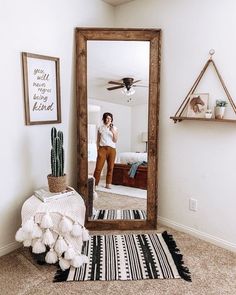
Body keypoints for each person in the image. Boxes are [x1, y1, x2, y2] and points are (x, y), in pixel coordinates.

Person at [93, 112, 118, 189]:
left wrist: (113, 131)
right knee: (98, 168)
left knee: (110, 167)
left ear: (111, 120)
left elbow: (115, 140)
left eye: (110, 118)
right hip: (102, 148)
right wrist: (98, 149)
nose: (108, 120)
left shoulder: (115, 128)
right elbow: (98, 139)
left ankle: (108, 183)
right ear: (104, 119)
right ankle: (95, 184)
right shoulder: (100, 127)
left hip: (112, 149)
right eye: (107, 118)